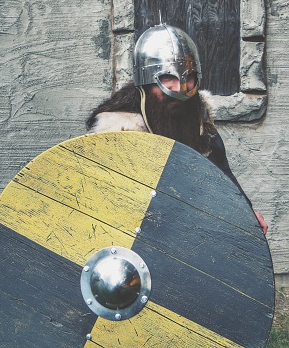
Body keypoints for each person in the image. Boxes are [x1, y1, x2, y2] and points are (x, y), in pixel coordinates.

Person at [86, 24, 268, 234]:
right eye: (168, 77)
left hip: (189, 231)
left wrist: (245, 211)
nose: (180, 88)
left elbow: (222, 177)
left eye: (188, 77)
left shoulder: (200, 123)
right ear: (146, 81)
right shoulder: (115, 131)